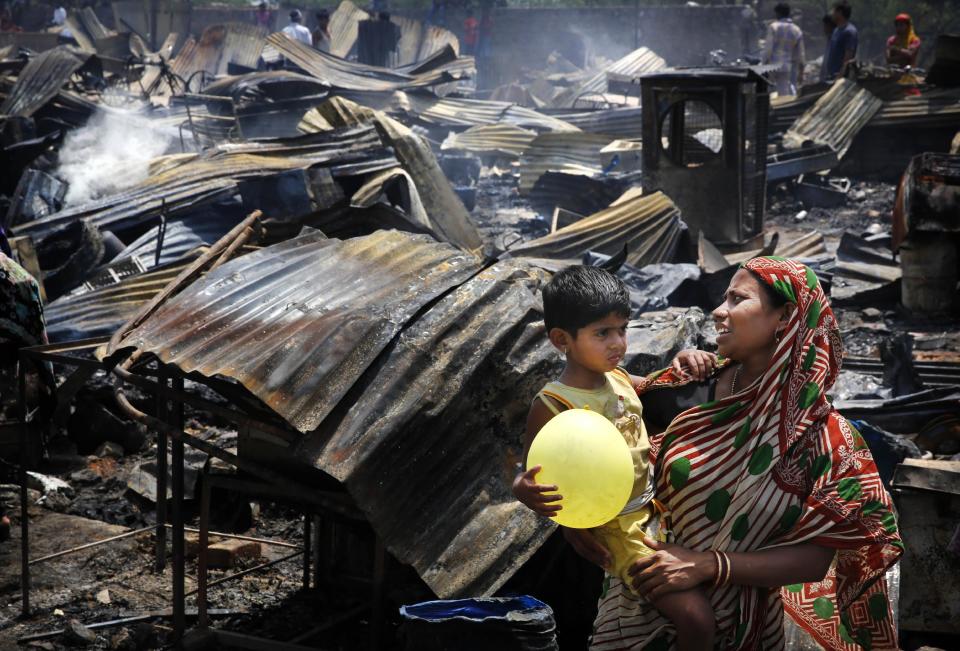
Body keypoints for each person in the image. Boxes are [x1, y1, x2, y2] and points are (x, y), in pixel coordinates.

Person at [580, 257, 902, 650]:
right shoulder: (686, 389)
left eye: (737, 299)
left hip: (742, 630)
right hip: (636, 610)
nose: (719, 310)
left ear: (784, 315)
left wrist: (706, 565)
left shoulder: (825, 440)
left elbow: (816, 559)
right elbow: (598, 433)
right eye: (723, 298)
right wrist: (553, 505)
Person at [513, 266, 719, 651]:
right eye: (602, 333)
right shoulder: (555, 402)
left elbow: (663, 388)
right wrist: (526, 491)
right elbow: (530, 473)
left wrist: (687, 358)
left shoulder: (619, 378)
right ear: (562, 339)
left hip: (661, 507)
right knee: (697, 620)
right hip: (620, 530)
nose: (618, 343)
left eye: (622, 329)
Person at [763, 3, 805, 96]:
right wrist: (801, 71)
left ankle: (770, 109)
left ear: (777, 13)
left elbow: (768, 49)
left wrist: (764, 63)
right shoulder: (796, 30)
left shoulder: (773, 27)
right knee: (783, 91)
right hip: (787, 66)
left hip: (772, 66)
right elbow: (800, 54)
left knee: (769, 91)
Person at [824, 1, 857, 80]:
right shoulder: (836, 30)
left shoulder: (849, 32)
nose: (832, 14)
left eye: (834, 11)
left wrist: (840, 76)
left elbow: (848, 56)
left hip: (841, 78)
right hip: (831, 75)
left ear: (839, 13)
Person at [818, 13, 836, 83]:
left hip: (830, 80)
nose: (824, 29)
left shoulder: (835, 39)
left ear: (830, 26)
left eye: (825, 26)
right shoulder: (830, 39)